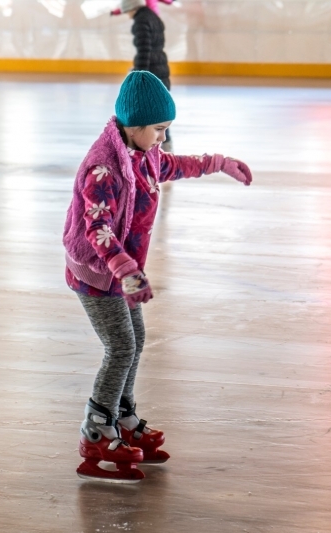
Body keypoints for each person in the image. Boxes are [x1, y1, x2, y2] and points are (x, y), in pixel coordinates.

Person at [63, 71, 253, 483]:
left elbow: (173, 165)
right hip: (98, 273)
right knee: (120, 347)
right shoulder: (103, 169)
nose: (163, 139)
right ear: (134, 126)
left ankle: (124, 417)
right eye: (159, 130)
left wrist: (220, 163)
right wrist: (125, 269)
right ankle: (96, 429)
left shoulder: (143, 153)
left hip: (122, 271)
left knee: (136, 341)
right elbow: (97, 229)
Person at [112, 0, 174, 151]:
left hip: (152, 72)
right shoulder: (153, 16)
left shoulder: (140, 21)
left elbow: (144, 50)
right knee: (159, 113)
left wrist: (139, 76)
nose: (127, 15)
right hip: (161, 69)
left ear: (131, 8)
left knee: (145, 114)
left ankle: (150, 150)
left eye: (127, 11)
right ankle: (165, 148)